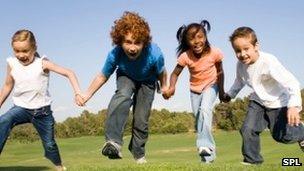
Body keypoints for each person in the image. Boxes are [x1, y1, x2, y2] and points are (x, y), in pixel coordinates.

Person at [78, 11, 167, 164]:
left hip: (148, 81)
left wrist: (165, 87)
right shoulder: (115, 54)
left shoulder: (155, 53)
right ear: (119, 41)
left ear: (144, 42)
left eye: (137, 42)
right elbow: (102, 76)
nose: (132, 48)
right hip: (127, 76)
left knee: (141, 119)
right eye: (128, 42)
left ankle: (138, 153)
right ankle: (113, 142)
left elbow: (162, 72)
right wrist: (87, 94)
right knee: (123, 95)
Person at [0, 29, 83, 171]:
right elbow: (8, 85)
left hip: (42, 112)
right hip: (21, 108)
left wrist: (77, 93)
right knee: (4, 120)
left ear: (34, 47)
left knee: (49, 144)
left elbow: (69, 73)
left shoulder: (42, 63)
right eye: (17, 51)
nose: (21, 55)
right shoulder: (12, 63)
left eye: (25, 51)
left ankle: (59, 166)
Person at [222, 26, 304, 165]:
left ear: (256, 46)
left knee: (282, 136)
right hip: (258, 101)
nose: (242, 54)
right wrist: (230, 94)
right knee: (247, 129)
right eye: (237, 51)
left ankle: (301, 133)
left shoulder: (269, 62)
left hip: (278, 103)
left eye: (246, 48)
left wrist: (294, 106)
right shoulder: (240, 65)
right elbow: (239, 81)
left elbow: (292, 82)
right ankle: (253, 161)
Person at [163, 20, 225, 163]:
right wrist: (172, 87)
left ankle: (205, 145)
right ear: (186, 41)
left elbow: (220, 72)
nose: (197, 41)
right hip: (195, 90)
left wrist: (221, 91)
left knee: (204, 110)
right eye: (191, 38)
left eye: (200, 37)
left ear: (205, 37)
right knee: (199, 121)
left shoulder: (215, 52)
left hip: (211, 85)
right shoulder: (185, 56)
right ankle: (208, 159)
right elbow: (175, 74)